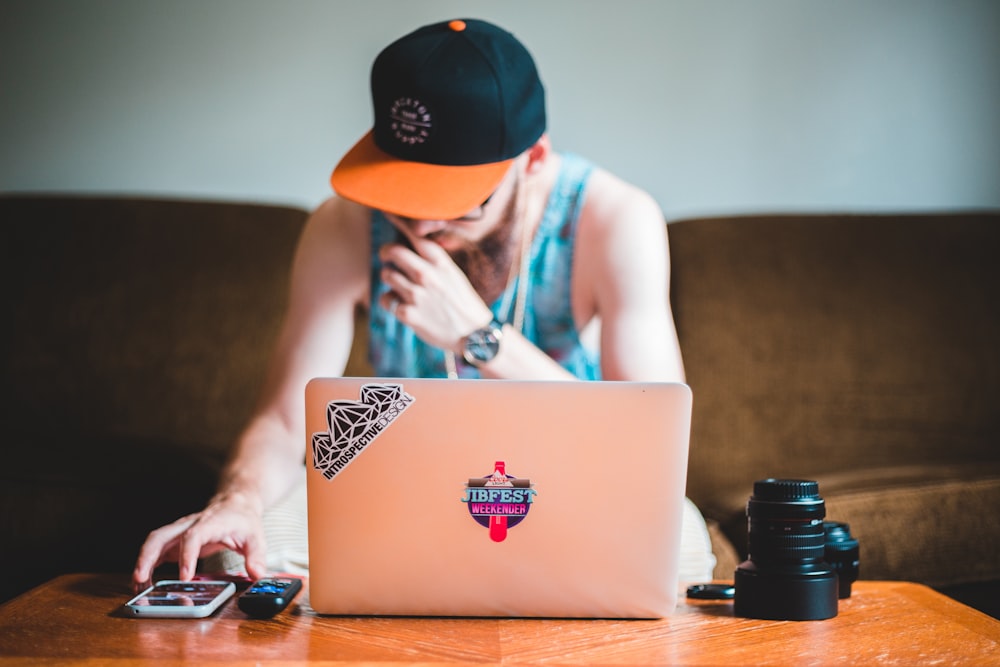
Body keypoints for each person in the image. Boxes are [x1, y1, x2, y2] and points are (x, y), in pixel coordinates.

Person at [132, 18, 713, 591]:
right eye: (405, 194)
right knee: (242, 556)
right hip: (403, 482)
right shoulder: (345, 227)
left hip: (571, 478)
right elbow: (287, 421)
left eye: (460, 204)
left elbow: (649, 448)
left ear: (533, 159)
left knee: (679, 549)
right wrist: (237, 501)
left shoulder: (613, 220)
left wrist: (478, 336)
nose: (425, 224)